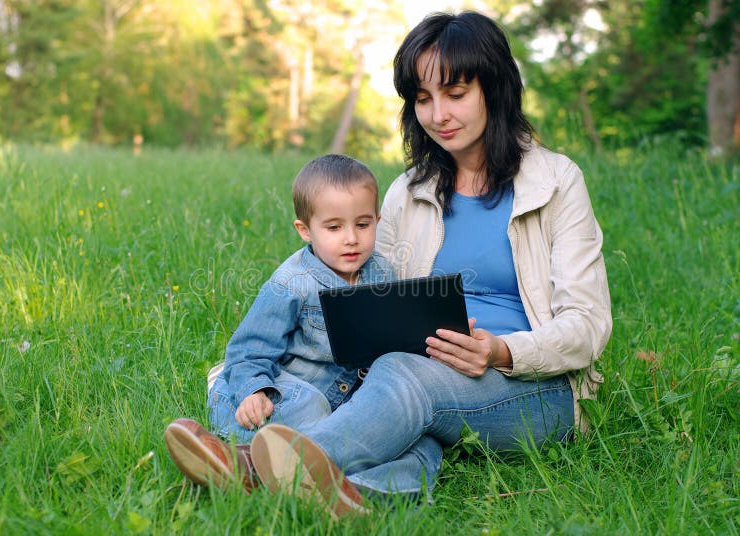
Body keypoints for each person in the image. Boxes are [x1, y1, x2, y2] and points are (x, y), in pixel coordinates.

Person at [248, 10, 612, 516]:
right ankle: (357, 496)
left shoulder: (555, 182)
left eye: (455, 93)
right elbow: (367, 289)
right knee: (409, 408)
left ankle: (255, 469)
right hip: (425, 376)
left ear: (494, 88)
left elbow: (588, 325)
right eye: (423, 98)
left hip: (535, 390)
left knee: (406, 379)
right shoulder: (408, 191)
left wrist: (501, 350)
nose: (438, 113)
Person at [164, 154, 412, 511]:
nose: (351, 239)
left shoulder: (382, 275)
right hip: (281, 389)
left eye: (363, 224)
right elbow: (249, 348)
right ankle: (239, 421)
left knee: (384, 418)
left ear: (378, 221)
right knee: (311, 408)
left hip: (342, 396)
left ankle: (313, 478)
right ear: (305, 230)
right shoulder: (292, 282)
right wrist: (254, 389)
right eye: (333, 228)